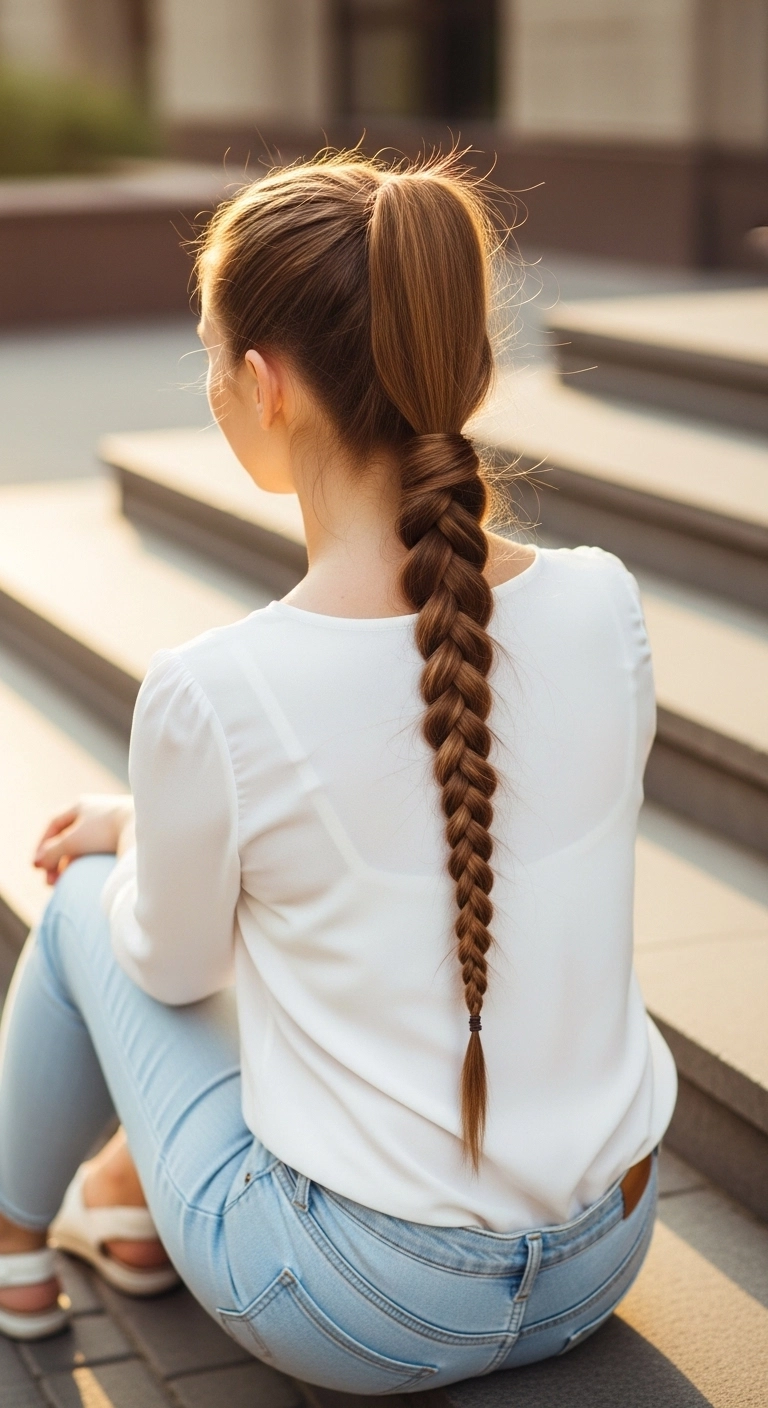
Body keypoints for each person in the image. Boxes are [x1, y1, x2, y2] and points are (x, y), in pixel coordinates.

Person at [0, 153, 676, 1390]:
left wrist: (134, 841)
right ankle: (119, 1201)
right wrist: (151, 816)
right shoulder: (604, 604)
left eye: (210, 353)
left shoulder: (216, 689)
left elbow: (171, 964)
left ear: (264, 386)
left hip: (367, 1304)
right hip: (604, 1246)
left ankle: (11, 1245)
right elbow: (441, 822)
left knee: (89, 908)